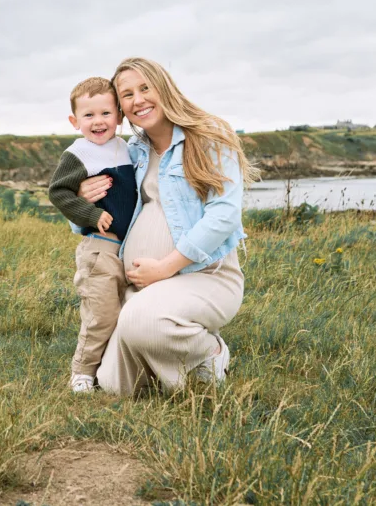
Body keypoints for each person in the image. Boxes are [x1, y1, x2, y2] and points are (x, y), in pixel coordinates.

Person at [77, 57, 258, 395]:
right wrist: (84, 200)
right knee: (114, 385)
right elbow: (107, 215)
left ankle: (211, 353)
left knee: (140, 322)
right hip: (145, 285)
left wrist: (165, 267)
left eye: (145, 88)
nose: (138, 100)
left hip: (205, 275)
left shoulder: (209, 136)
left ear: (165, 87)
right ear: (121, 109)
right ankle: (172, 367)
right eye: (127, 95)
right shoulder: (132, 152)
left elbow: (224, 214)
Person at [48, 77, 137, 393]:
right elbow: (59, 192)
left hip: (128, 252)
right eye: (88, 116)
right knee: (101, 314)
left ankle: (110, 369)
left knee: (123, 315)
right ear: (75, 121)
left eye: (105, 113)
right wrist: (91, 213)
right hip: (99, 250)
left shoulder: (125, 149)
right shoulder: (79, 153)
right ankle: (82, 372)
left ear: (119, 117)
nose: (98, 122)